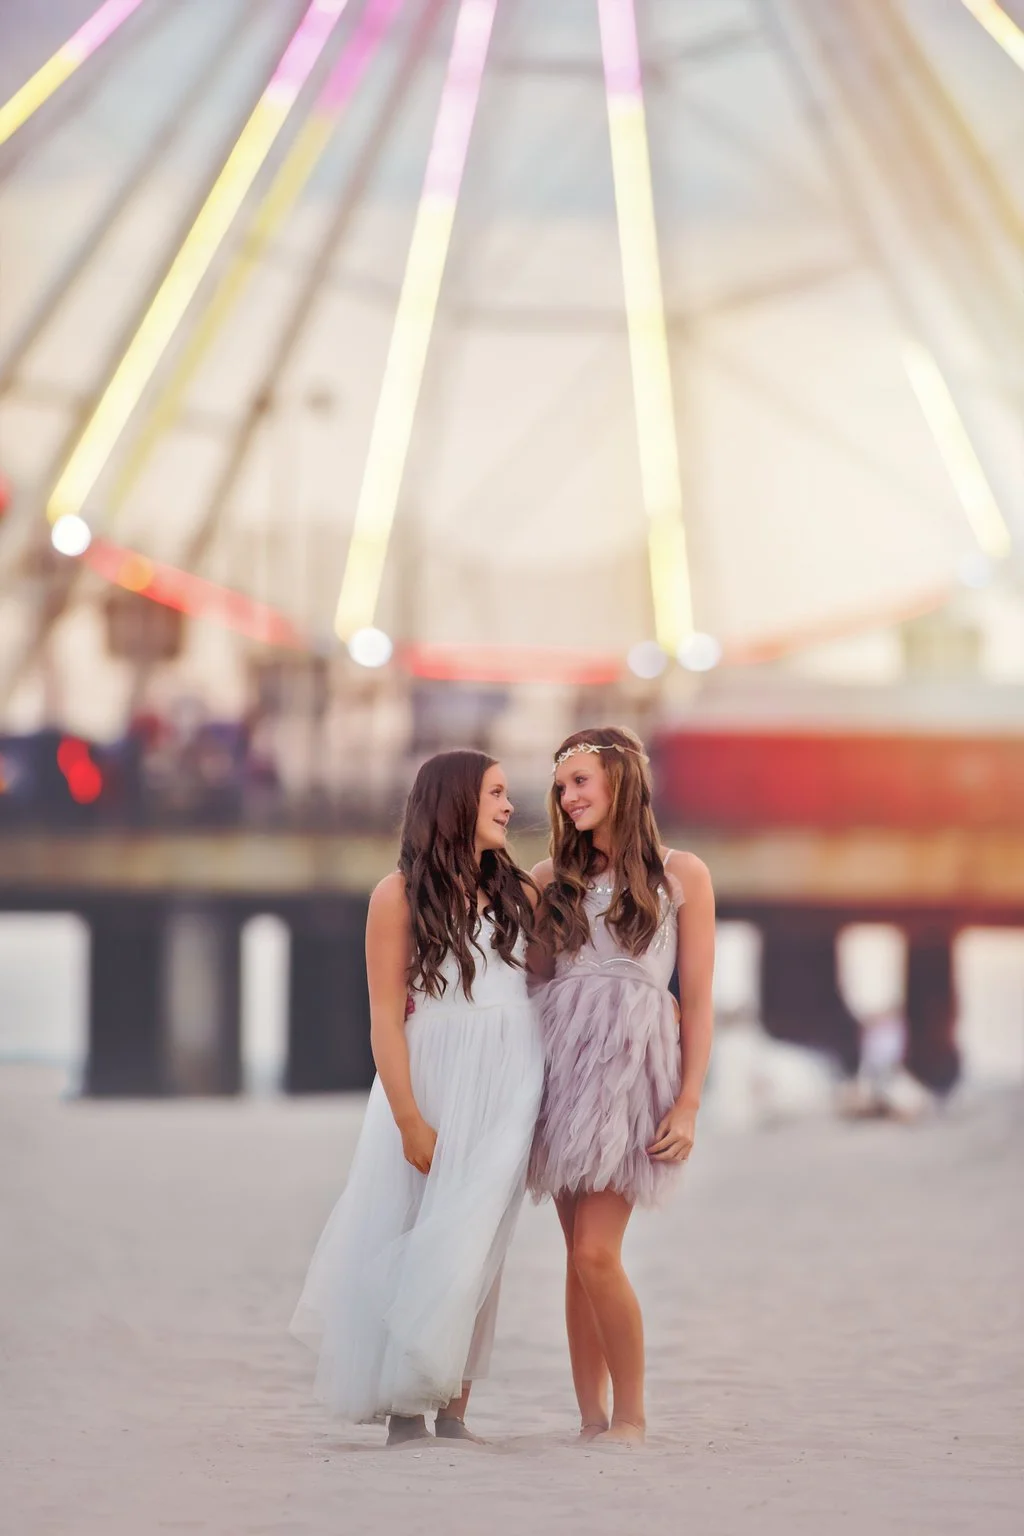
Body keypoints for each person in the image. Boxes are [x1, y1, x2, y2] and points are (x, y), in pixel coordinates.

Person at [291, 751, 544, 1446]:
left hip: (510, 1080)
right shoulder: (396, 896)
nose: (508, 806)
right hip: (431, 1073)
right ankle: (405, 1404)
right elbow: (383, 1015)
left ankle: (454, 1407)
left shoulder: (522, 890)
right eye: (495, 793)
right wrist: (407, 1116)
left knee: (479, 1241)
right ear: (457, 801)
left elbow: (557, 987)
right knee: (414, 1229)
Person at [528, 726, 715, 1446]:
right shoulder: (549, 879)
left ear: (620, 782)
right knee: (576, 1257)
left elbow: (695, 998)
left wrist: (689, 1102)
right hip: (561, 1067)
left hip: (633, 1072)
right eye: (561, 785)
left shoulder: (682, 875)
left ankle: (631, 1417)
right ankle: (590, 1419)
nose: (567, 795)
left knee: (596, 1253)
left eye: (580, 781)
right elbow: (535, 981)